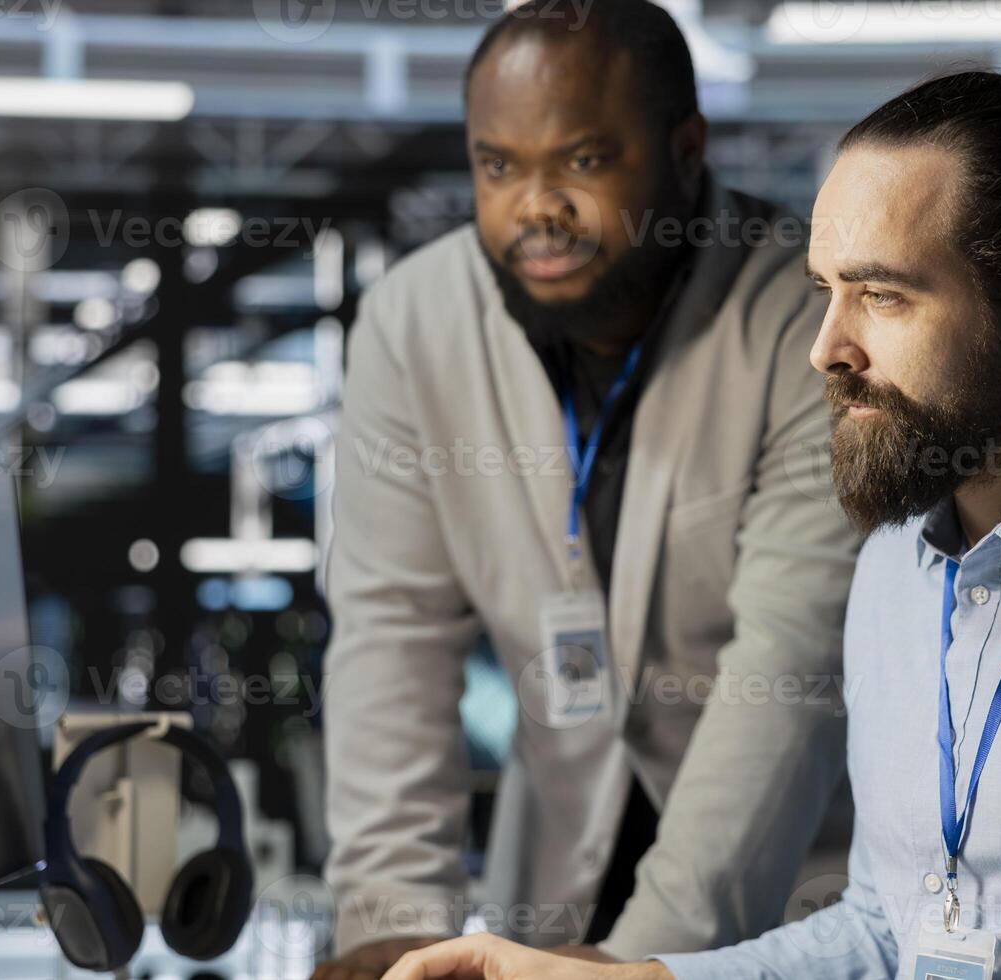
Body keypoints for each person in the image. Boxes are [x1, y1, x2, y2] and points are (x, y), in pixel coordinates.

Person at [376, 69, 1001, 980]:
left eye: (882, 294)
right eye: (826, 291)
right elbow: (889, 927)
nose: (825, 348)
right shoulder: (900, 565)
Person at [312, 1, 860, 977]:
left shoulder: (806, 319)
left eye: (583, 160)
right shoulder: (412, 323)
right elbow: (393, 630)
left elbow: (790, 663)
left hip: (787, 890)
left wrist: (641, 967)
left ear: (685, 149)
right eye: (499, 165)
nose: (535, 206)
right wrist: (393, 915)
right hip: (554, 874)